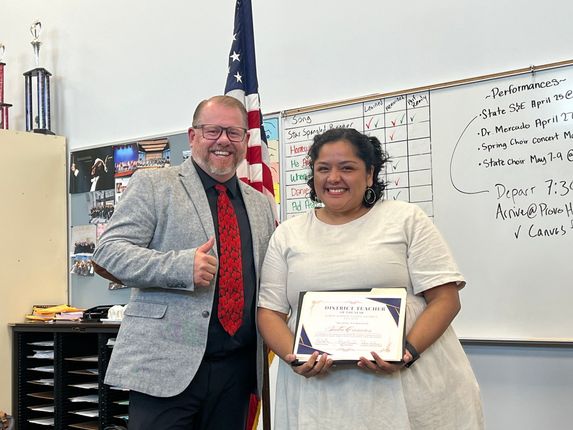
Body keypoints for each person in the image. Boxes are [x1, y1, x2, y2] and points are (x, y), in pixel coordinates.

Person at [257, 128, 484, 429]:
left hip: (411, 385)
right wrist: (296, 359)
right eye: (323, 169)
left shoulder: (406, 219)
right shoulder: (288, 233)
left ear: (369, 174)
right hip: (320, 396)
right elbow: (269, 312)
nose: (333, 177)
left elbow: (445, 299)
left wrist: (407, 352)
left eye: (347, 168)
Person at [92, 95, 276, 429]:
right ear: (193, 137)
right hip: (165, 366)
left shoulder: (259, 204)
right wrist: (178, 267)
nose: (223, 140)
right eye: (212, 131)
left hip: (237, 370)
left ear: (246, 141)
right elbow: (108, 253)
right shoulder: (154, 185)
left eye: (234, 133)